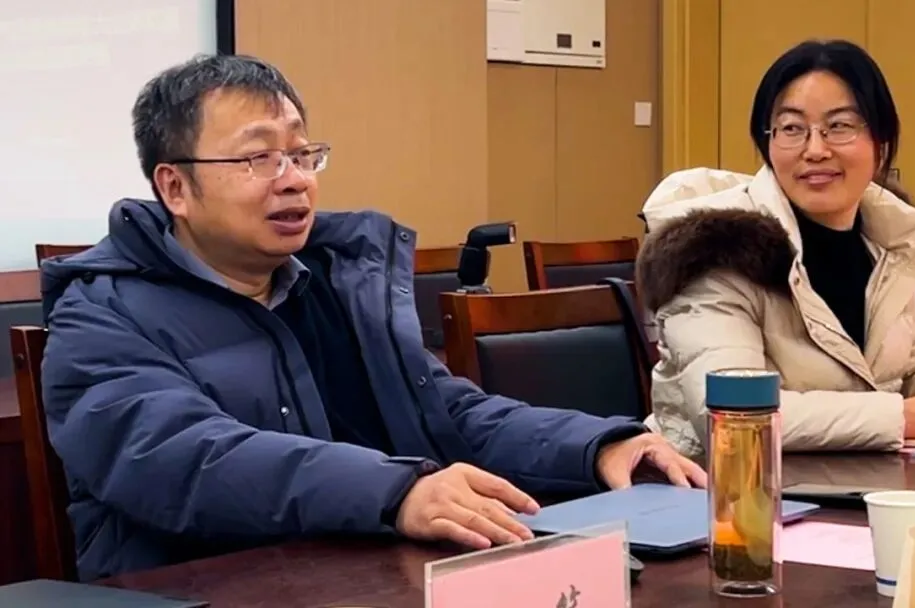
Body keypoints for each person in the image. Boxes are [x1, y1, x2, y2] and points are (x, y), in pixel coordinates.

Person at [40, 54, 704, 581]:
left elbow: (448, 411)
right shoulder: (101, 311)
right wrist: (395, 493)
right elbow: (188, 460)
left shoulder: (333, 284)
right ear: (174, 187)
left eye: (303, 154)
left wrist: (599, 446)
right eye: (258, 157)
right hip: (202, 586)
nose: (294, 178)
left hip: (364, 576)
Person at [633, 40, 915, 464]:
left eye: (840, 126)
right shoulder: (718, 249)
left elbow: (910, 370)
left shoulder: (888, 240)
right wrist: (904, 417)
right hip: (718, 491)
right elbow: (732, 414)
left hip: (848, 480)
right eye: (792, 129)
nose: (815, 150)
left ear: (880, 141)